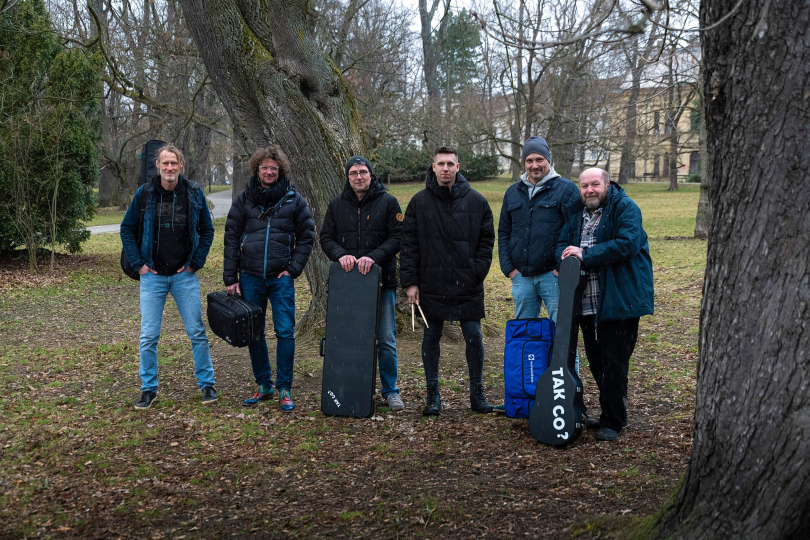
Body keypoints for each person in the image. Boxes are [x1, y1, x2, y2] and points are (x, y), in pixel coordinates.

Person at [557, 167, 654, 441]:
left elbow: (627, 244)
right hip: (586, 300)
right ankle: (608, 411)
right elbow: (562, 243)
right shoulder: (576, 212)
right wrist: (563, 258)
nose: (589, 190)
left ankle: (614, 420)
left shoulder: (625, 208)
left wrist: (585, 255)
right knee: (596, 361)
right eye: (585, 185)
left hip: (619, 298)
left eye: (595, 185)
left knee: (614, 362)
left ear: (607, 185)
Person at [400, 145, 496, 416]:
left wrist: (477, 271)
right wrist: (410, 282)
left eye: (450, 164)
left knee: (474, 337)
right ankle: (433, 396)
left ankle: (477, 395)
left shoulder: (477, 202)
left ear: (458, 167)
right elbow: (408, 244)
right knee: (431, 336)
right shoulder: (419, 202)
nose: (445, 168)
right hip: (430, 284)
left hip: (468, 284)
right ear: (433, 167)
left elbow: (487, 240)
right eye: (440, 164)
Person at [120, 144, 217, 410]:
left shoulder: (194, 193)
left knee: (196, 332)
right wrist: (139, 265)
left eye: (174, 163)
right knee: (148, 336)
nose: (170, 168)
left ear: (181, 166)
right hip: (152, 276)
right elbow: (127, 229)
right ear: (157, 166)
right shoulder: (145, 194)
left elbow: (207, 231)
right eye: (165, 163)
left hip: (184, 276)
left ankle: (207, 384)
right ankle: (148, 388)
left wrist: (195, 263)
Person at [223, 145, 315, 412]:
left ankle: (284, 388)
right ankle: (263, 384)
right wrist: (231, 277)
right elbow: (230, 237)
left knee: (285, 332)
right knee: (254, 333)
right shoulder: (244, 199)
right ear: (256, 169)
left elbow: (307, 235)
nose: (269, 172)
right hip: (250, 277)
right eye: (264, 167)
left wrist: (293, 268)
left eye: (274, 168)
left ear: (280, 170)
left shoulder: (293, 199)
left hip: (280, 278)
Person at [320, 156, 405, 411]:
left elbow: (398, 237)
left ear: (371, 174)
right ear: (348, 177)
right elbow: (325, 237)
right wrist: (340, 254)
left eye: (363, 172)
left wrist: (373, 257)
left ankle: (390, 391)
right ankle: (352, 389)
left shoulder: (389, 202)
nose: (359, 177)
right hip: (347, 286)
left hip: (382, 283)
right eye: (354, 173)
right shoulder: (336, 205)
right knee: (349, 339)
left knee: (386, 339)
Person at [498, 136, 580, 372]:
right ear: (524, 163)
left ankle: (567, 392)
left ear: (548, 160)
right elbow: (504, 231)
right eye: (530, 160)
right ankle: (528, 388)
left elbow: (575, 230)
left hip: (553, 277)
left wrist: (560, 269)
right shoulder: (513, 192)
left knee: (563, 336)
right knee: (526, 338)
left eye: (540, 159)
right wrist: (509, 269)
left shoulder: (566, 190)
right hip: (521, 277)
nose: (535, 165)